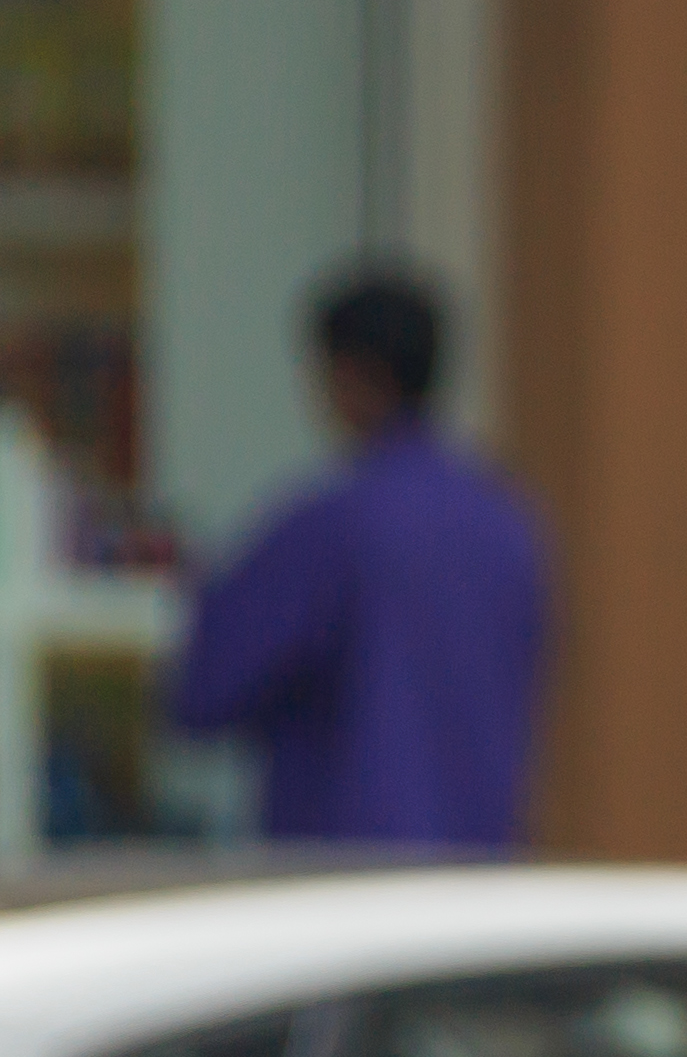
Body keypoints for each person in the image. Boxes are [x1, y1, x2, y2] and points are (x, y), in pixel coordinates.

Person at [168, 266, 547, 847]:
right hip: (481, 889)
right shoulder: (509, 528)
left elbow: (203, 688)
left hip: (347, 888)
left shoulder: (338, 526)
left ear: (350, 375)